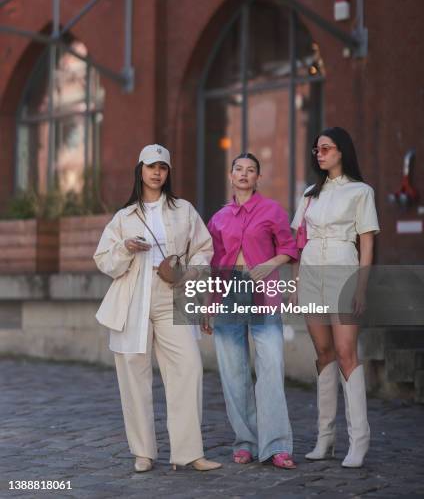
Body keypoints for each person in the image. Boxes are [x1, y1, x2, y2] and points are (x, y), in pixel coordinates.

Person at [93, 144, 222, 473]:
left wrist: (189, 273)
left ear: (168, 172)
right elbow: (104, 260)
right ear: (140, 170)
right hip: (133, 296)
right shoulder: (124, 217)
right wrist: (125, 247)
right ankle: (143, 452)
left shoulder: (184, 209)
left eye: (162, 167)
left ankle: (188, 453)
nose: (156, 172)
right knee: (134, 374)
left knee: (189, 367)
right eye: (151, 166)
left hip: (173, 295)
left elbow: (204, 249)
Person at [291, 127, 380, 468]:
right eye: (317, 149)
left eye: (326, 148)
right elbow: (298, 242)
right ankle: (324, 439)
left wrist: (361, 286)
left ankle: (359, 441)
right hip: (312, 276)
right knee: (324, 353)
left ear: (342, 151)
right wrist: (297, 285)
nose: (320, 153)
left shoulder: (361, 192)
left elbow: (367, 242)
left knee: (345, 352)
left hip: (344, 273)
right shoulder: (309, 194)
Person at [204, 152, 299, 469]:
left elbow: (289, 247)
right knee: (234, 374)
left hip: (265, 293)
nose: (244, 174)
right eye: (238, 169)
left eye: (251, 170)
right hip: (228, 293)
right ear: (231, 176)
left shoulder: (272, 210)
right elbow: (214, 265)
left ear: (258, 177)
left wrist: (269, 264)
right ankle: (245, 441)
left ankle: (277, 446)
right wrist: (208, 305)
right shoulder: (218, 218)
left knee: (271, 368)